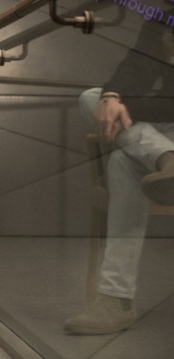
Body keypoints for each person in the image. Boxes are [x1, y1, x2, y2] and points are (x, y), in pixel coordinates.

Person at [65, 18, 174, 335]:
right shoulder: (163, 20)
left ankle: (117, 298)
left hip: (157, 123)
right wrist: (114, 97)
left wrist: (134, 108)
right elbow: (134, 68)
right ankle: (166, 158)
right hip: (159, 130)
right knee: (93, 97)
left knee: (123, 159)